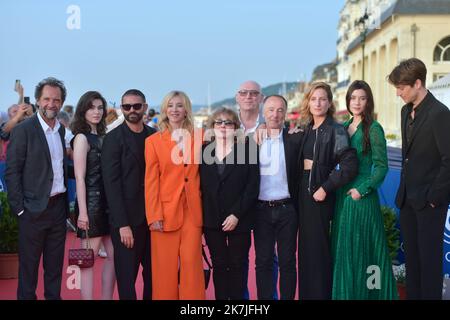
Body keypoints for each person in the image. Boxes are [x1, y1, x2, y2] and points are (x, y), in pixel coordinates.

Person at [388, 58, 450, 300]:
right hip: (407, 201)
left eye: (402, 87)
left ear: (417, 83)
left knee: (430, 264)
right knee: (412, 263)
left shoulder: (440, 114)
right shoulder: (405, 111)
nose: (398, 93)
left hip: (429, 203)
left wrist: (434, 198)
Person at [331, 80, 398, 300]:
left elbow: (381, 167)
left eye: (362, 98)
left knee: (366, 251)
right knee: (345, 251)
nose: (357, 102)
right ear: (347, 100)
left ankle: (371, 294)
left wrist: (362, 189)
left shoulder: (374, 128)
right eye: (353, 98)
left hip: (362, 197)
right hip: (343, 195)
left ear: (368, 101)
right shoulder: (343, 127)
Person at [5, 77, 69, 300]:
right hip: (32, 211)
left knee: (54, 270)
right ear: (39, 101)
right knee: (28, 272)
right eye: (47, 99)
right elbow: (11, 171)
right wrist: (20, 209)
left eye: (56, 100)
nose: (51, 104)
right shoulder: (24, 130)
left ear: (61, 103)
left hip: (58, 209)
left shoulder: (62, 131)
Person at [297, 82, 358, 300]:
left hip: (319, 194)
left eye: (322, 99)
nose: (317, 103)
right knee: (304, 252)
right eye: (313, 99)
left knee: (318, 251)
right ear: (308, 102)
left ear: (329, 102)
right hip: (302, 195)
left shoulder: (336, 130)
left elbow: (350, 165)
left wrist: (326, 187)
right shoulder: (306, 129)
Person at [145, 90, 205, 300]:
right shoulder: (153, 141)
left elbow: (229, 137)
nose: (174, 110)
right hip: (164, 212)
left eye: (179, 105)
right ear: (164, 110)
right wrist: (154, 216)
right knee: (164, 270)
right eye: (170, 105)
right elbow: (151, 181)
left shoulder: (200, 137)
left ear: (186, 109)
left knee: (192, 267)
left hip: (192, 210)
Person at [200, 108, 259, 300]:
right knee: (219, 265)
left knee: (238, 265)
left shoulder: (247, 150)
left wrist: (236, 214)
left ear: (236, 128)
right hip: (212, 219)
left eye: (228, 123)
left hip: (239, 219)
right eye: (219, 122)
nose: (223, 126)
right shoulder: (203, 151)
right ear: (212, 127)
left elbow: (252, 186)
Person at [102, 89, 155, 300]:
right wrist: (122, 224)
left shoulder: (154, 135)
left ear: (145, 107)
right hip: (126, 223)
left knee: (153, 276)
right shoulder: (113, 139)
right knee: (127, 279)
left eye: (136, 106)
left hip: (153, 220)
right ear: (122, 109)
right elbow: (111, 185)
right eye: (126, 106)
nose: (132, 110)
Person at [254, 95, 302, 300]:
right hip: (261, 210)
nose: (275, 114)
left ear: (285, 113)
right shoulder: (252, 140)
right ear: (263, 112)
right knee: (263, 262)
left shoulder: (295, 137)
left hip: (287, 209)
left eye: (280, 110)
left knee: (288, 262)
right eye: (271, 110)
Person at [71, 91, 116, 300]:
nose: (96, 112)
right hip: (91, 204)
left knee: (115, 257)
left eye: (100, 108)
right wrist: (82, 213)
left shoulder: (103, 136)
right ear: (83, 110)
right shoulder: (81, 138)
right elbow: (79, 178)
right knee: (86, 261)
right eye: (91, 107)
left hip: (108, 204)